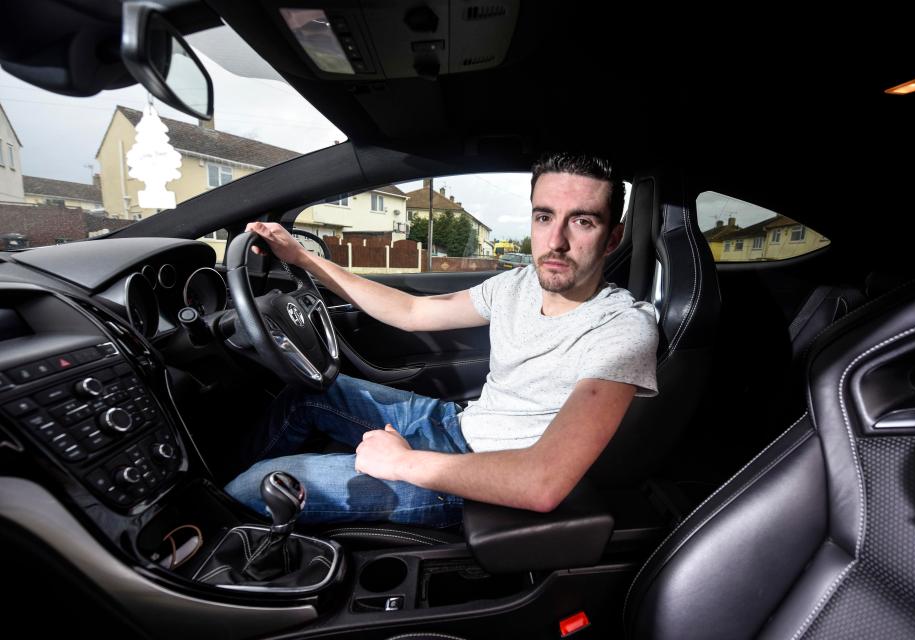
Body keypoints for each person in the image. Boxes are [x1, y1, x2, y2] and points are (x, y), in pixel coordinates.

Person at [225, 152, 659, 527]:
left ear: (612, 239)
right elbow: (412, 312)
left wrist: (401, 463)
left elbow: (542, 482)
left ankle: (212, 524)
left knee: (255, 485)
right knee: (306, 391)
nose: (556, 240)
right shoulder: (518, 284)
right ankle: (221, 501)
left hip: (481, 483)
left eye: (582, 221)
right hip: (454, 424)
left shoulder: (623, 329)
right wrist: (302, 258)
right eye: (545, 217)